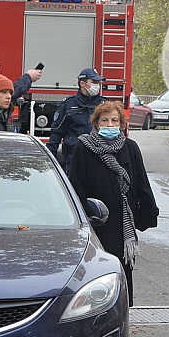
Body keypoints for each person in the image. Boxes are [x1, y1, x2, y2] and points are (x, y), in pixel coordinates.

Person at [69, 101, 159, 306]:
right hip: (96, 222)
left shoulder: (130, 147)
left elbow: (141, 182)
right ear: (96, 123)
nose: (110, 125)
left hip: (122, 222)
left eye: (114, 120)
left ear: (121, 124)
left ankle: (121, 310)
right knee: (96, 271)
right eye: (105, 120)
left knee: (122, 268)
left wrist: (147, 214)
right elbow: (76, 185)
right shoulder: (84, 147)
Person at [46, 68, 107, 174]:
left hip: (101, 159)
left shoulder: (105, 105)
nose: (98, 85)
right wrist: (49, 162)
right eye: (94, 82)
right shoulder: (69, 104)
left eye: (98, 82)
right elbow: (56, 133)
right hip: (75, 159)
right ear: (82, 83)